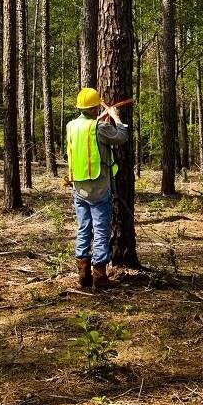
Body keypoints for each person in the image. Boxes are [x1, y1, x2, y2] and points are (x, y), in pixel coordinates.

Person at [66, 87, 129, 289]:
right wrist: (116, 118)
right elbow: (121, 137)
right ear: (95, 108)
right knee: (101, 230)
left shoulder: (71, 126)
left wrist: (101, 119)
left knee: (83, 228)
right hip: (99, 188)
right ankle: (99, 277)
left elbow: (88, 133)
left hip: (79, 187)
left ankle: (83, 273)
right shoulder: (99, 128)